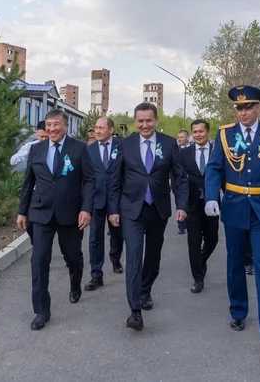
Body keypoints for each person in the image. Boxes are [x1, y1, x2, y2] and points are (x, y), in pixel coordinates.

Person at [204, 85, 260, 351]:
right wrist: (211, 197)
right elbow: (214, 168)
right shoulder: (225, 134)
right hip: (235, 207)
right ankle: (238, 310)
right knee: (235, 263)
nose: (243, 113)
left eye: (248, 107)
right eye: (239, 108)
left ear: (258, 108)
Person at [108, 103, 189, 331]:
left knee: (153, 255)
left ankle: (145, 290)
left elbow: (180, 177)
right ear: (135, 122)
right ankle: (135, 310)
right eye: (140, 121)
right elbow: (114, 180)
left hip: (157, 209)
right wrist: (113, 210)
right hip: (131, 209)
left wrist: (182, 205)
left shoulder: (169, 143)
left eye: (149, 120)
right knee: (134, 255)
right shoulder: (125, 144)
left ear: (156, 120)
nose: (145, 125)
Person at [16, 110, 96, 330]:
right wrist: (22, 212)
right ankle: (41, 310)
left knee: (73, 256)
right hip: (40, 213)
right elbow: (28, 182)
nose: (52, 129)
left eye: (56, 124)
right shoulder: (36, 149)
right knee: (39, 261)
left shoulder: (79, 148)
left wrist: (86, 209)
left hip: (70, 213)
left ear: (66, 126)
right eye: (49, 125)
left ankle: (75, 281)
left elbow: (90, 180)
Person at [84, 116, 124, 293]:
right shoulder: (89, 150)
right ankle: (96, 274)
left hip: (118, 199)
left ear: (111, 130)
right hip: (96, 199)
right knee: (95, 238)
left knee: (117, 233)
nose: (97, 131)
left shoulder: (121, 147)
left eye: (101, 128)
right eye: (96, 128)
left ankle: (115, 258)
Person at [179, 119, 220, 294]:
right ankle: (198, 278)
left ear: (208, 132)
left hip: (212, 204)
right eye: (195, 132)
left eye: (201, 131)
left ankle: (201, 260)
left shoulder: (217, 151)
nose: (198, 135)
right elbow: (179, 179)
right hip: (192, 204)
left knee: (212, 239)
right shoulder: (184, 153)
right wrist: (181, 205)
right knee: (193, 241)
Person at [175, 129, 191, 235]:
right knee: (180, 202)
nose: (179, 139)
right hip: (178, 182)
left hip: (191, 181)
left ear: (187, 138)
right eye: (178, 137)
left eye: (182, 137)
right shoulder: (175, 150)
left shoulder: (193, 149)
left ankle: (191, 223)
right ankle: (181, 225)